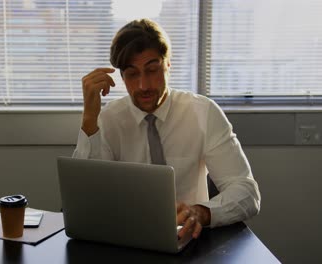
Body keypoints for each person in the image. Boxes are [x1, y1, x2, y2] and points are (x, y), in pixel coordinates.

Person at [72, 19, 261, 240]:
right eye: (132, 74)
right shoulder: (108, 119)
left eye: (152, 70)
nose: (144, 85)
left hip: (190, 239)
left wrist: (200, 213)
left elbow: (247, 193)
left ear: (168, 65)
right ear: (122, 77)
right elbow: (87, 199)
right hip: (127, 239)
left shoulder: (203, 112)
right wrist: (89, 120)